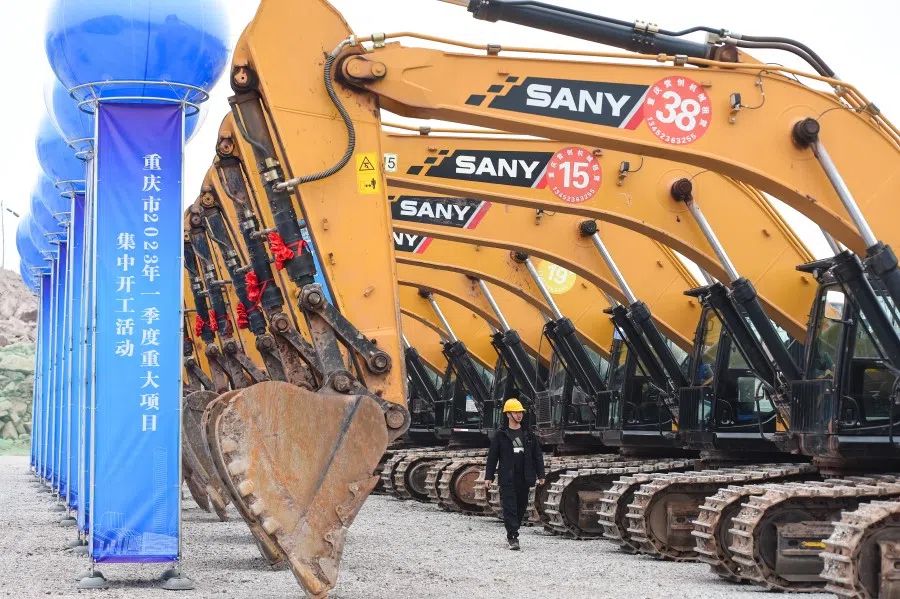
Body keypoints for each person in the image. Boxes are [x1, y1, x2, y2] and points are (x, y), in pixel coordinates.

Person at [483, 398, 545, 550]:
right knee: (510, 506)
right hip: (507, 476)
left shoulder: (528, 434)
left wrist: (541, 474)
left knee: (521, 506)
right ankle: (513, 536)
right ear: (508, 414)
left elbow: (537, 455)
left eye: (520, 412)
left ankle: (514, 528)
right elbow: (493, 456)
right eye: (516, 412)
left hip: (524, 476)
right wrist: (488, 476)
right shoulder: (501, 435)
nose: (519, 415)